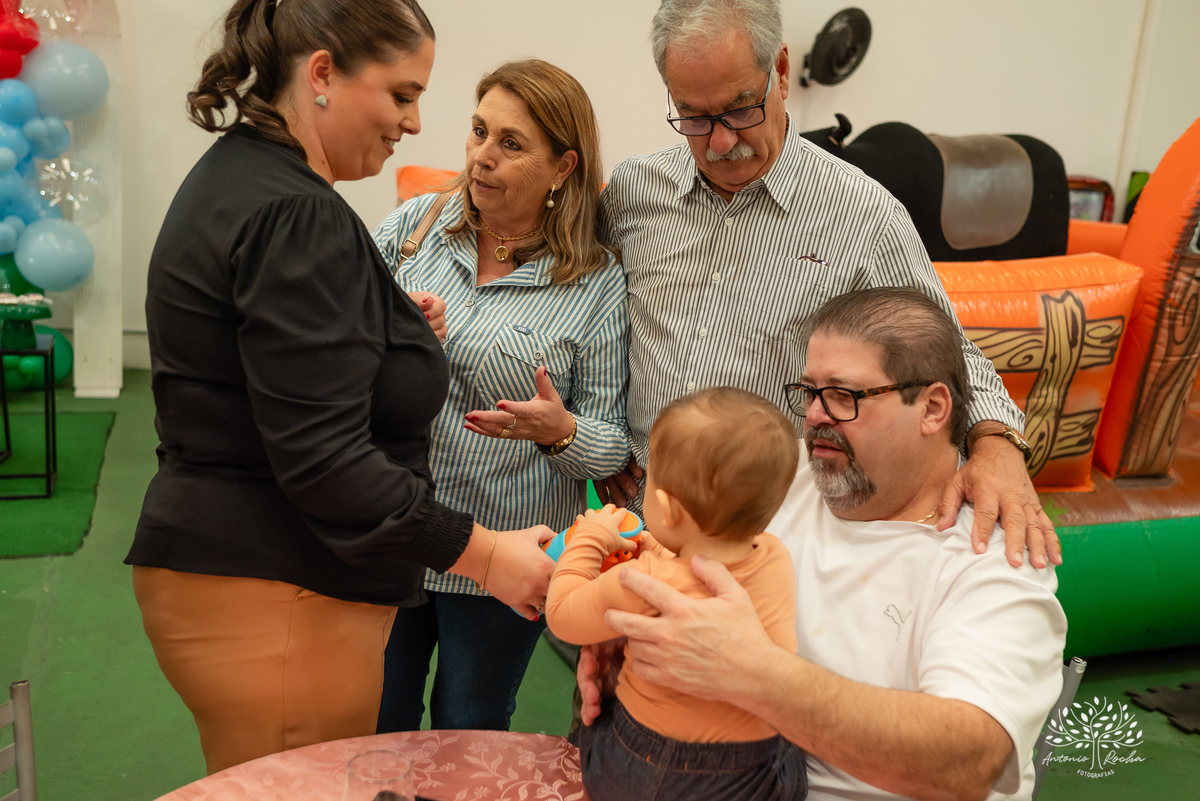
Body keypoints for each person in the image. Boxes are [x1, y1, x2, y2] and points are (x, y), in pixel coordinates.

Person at [126, 0, 553, 774]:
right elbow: (324, 460)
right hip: (276, 590)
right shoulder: (295, 210)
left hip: (250, 578)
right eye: (401, 94)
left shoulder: (249, 179)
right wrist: (487, 556)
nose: (416, 123)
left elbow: (272, 372)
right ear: (322, 73)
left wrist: (386, 335)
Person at [594, 0, 1061, 568]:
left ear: (782, 73)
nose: (719, 142)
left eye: (740, 109)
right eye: (693, 116)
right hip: (643, 525)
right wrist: (602, 443)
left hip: (769, 538)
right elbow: (592, 319)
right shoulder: (634, 191)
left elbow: (950, 356)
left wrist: (997, 447)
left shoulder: (862, 216)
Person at [586, 287, 1068, 801]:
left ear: (931, 408)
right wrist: (626, 624)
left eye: (845, 395)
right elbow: (671, 555)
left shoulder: (992, 557)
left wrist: (752, 672)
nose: (816, 414)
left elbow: (970, 761)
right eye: (810, 392)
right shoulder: (780, 473)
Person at [371, 58, 630, 733]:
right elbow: (329, 337)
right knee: (374, 717)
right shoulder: (415, 229)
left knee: (469, 724)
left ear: (563, 166)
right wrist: (388, 331)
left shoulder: (595, 284)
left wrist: (559, 429)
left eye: (510, 144)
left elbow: (611, 446)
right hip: (399, 526)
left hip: (503, 556)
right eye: (479, 131)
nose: (481, 157)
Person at [546, 387, 806, 801]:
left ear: (666, 509)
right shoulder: (775, 557)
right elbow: (705, 568)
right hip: (755, 775)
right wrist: (665, 550)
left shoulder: (643, 581)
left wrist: (590, 539)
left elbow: (561, 613)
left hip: (649, 769)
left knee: (597, 720)